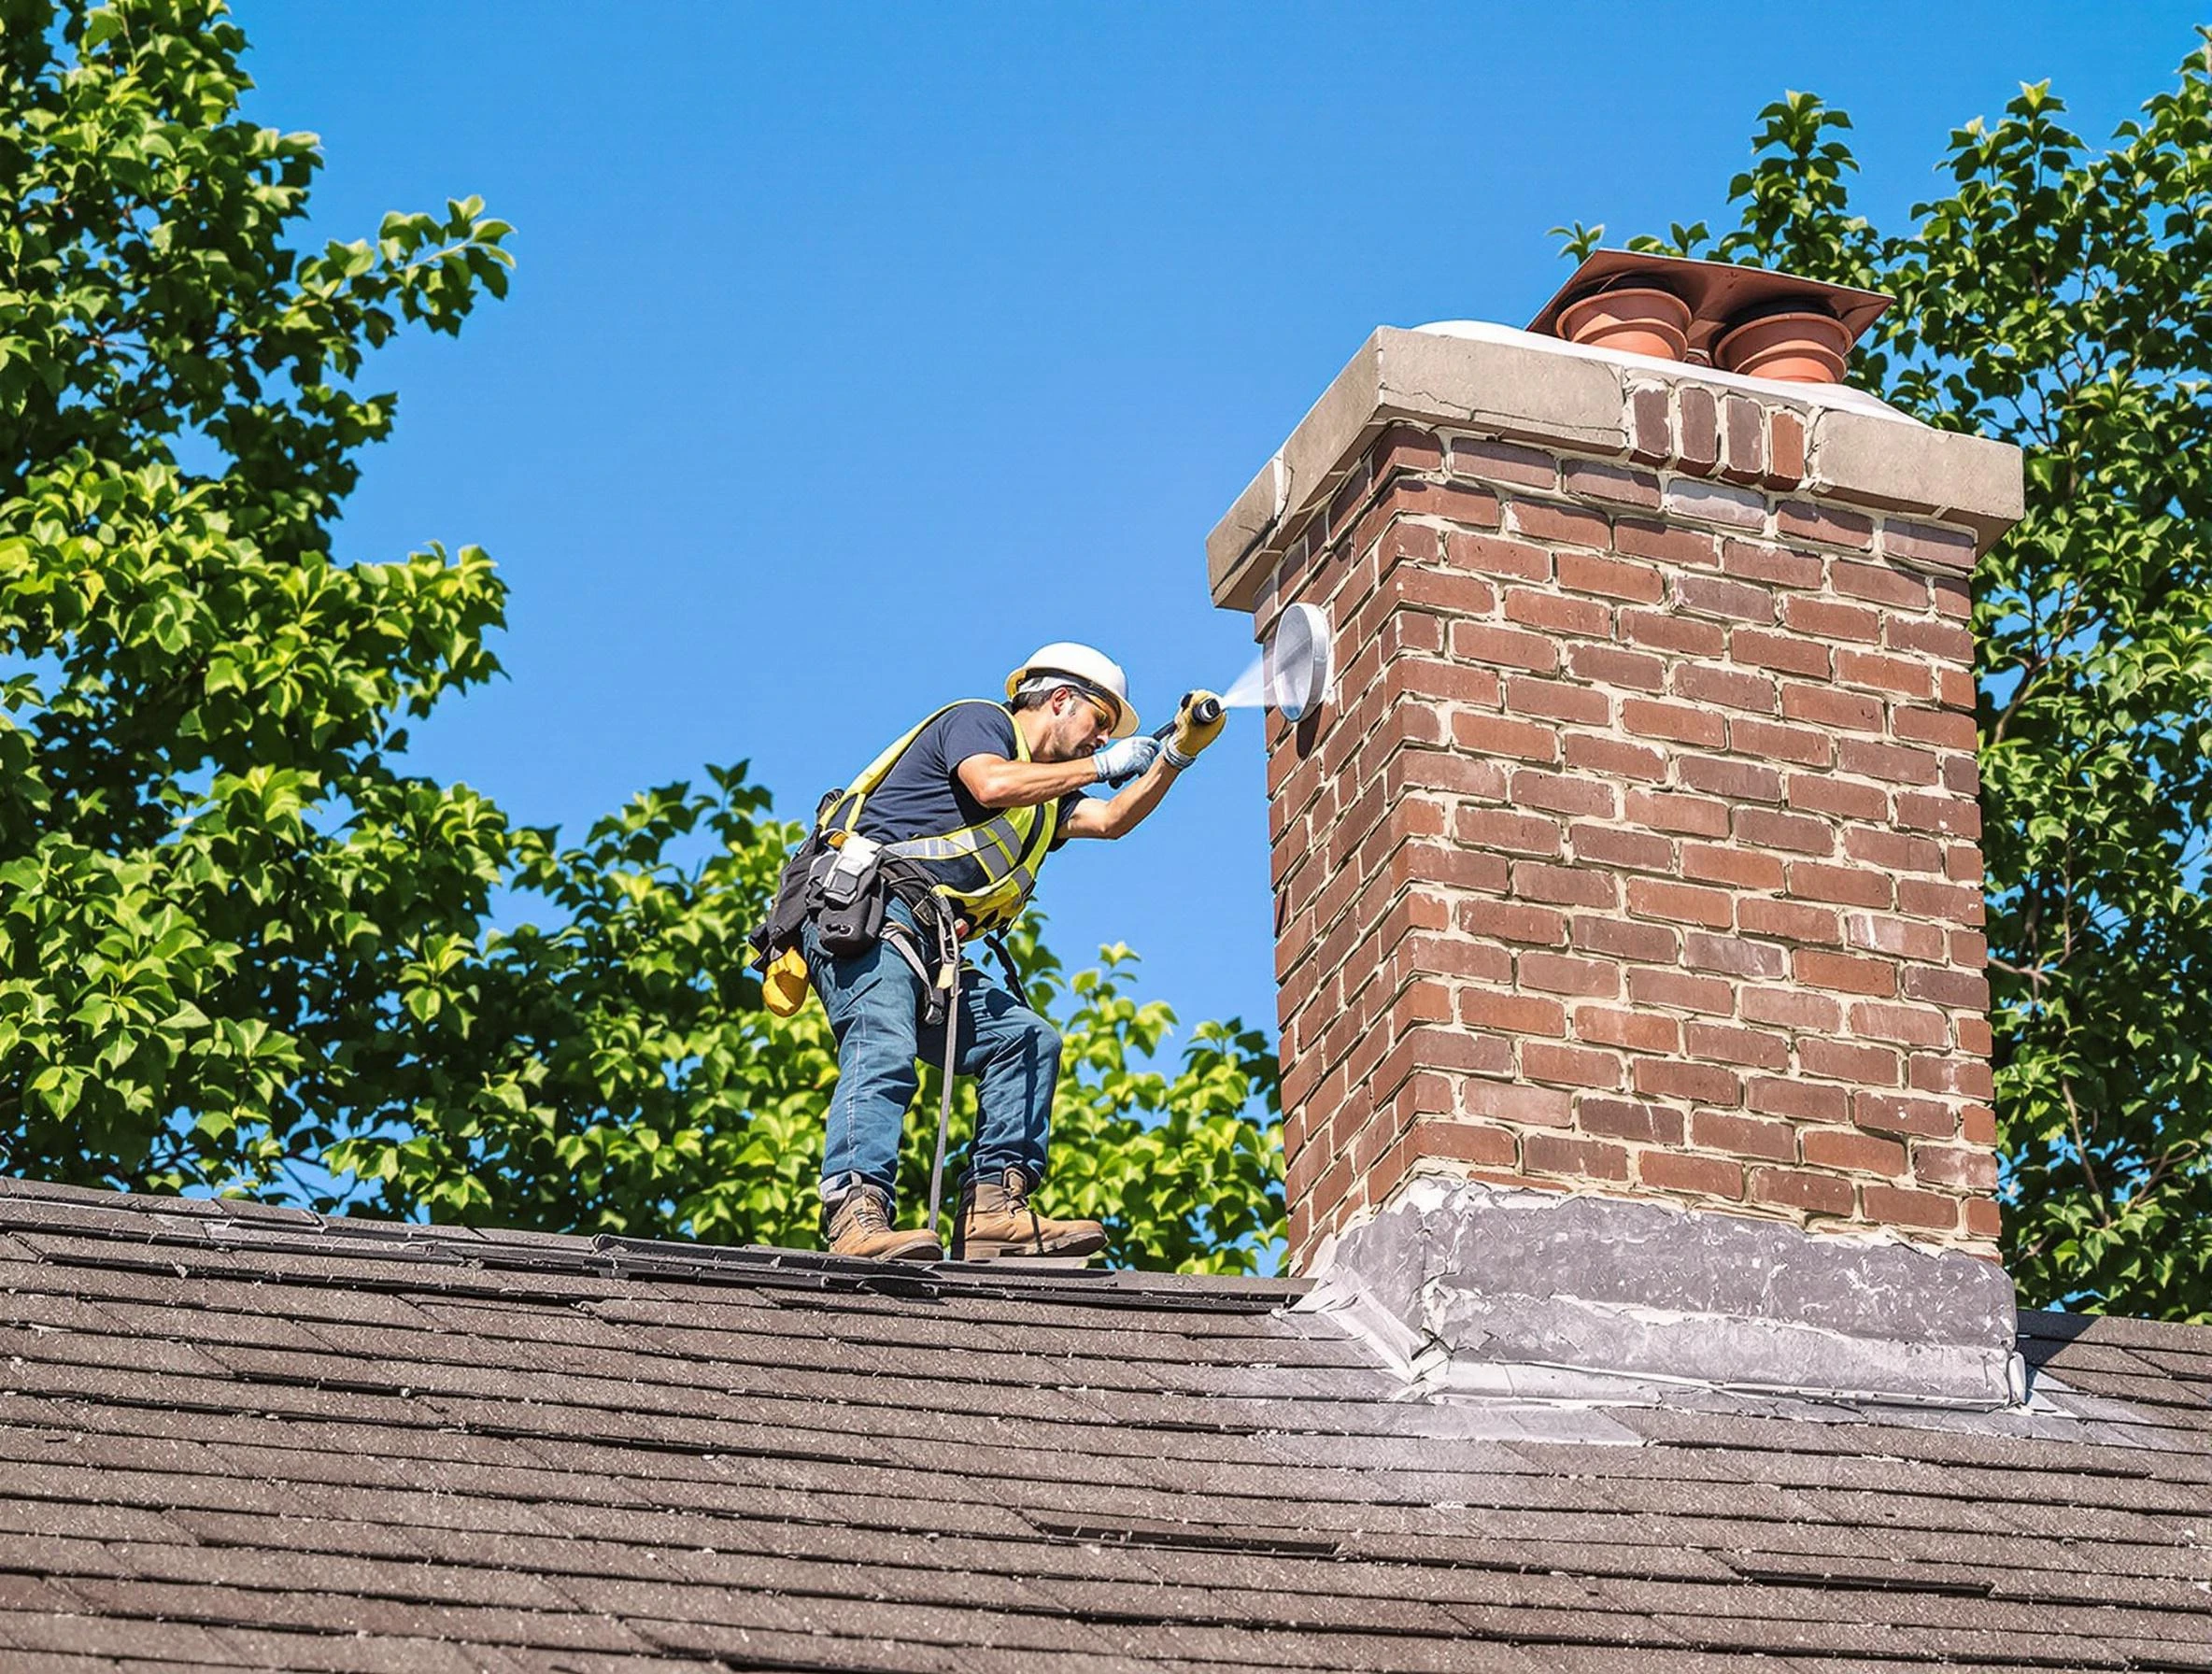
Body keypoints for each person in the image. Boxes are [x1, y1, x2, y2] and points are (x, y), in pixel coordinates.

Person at [801, 643, 1223, 1262]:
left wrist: (1176, 755)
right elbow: (990, 783)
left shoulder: (1047, 797)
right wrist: (1102, 764)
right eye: (1096, 723)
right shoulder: (980, 722)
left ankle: (996, 1211)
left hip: (927, 941)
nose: (1096, 739)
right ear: (1059, 700)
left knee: (1025, 1040)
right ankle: (855, 1212)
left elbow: (1109, 820)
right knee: (882, 1042)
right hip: (867, 915)